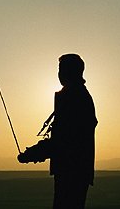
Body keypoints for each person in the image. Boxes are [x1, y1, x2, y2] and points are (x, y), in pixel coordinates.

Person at [18, 53, 98, 209]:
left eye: (62, 69)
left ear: (72, 72)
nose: (60, 74)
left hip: (71, 172)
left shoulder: (75, 98)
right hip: (74, 171)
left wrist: (33, 154)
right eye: (59, 70)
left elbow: (63, 141)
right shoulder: (76, 96)